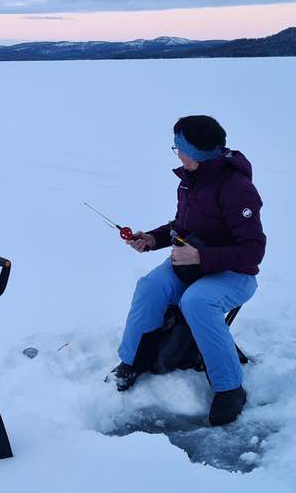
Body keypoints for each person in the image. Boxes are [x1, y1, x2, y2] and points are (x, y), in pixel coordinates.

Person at [108, 115, 267, 426]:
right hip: (190, 265)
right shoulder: (191, 180)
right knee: (150, 286)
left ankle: (229, 388)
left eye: (178, 147)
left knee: (197, 301)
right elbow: (182, 227)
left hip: (235, 273)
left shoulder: (238, 189)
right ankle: (132, 362)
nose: (176, 153)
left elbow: (253, 250)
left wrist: (201, 256)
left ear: (194, 152)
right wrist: (152, 239)